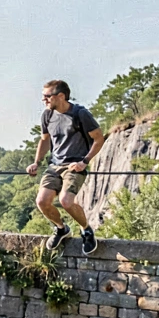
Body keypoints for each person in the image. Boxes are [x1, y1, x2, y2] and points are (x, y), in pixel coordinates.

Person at [26, 80, 105, 254]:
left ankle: (86, 230)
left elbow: (99, 139)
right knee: (41, 201)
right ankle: (61, 228)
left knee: (66, 201)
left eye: (47, 96)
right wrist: (36, 162)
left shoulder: (80, 114)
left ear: (60, 96)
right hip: (55, 165)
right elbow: (45, 140)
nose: (43, 100)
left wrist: (84, 161)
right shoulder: (47, 115)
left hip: (75, 165)